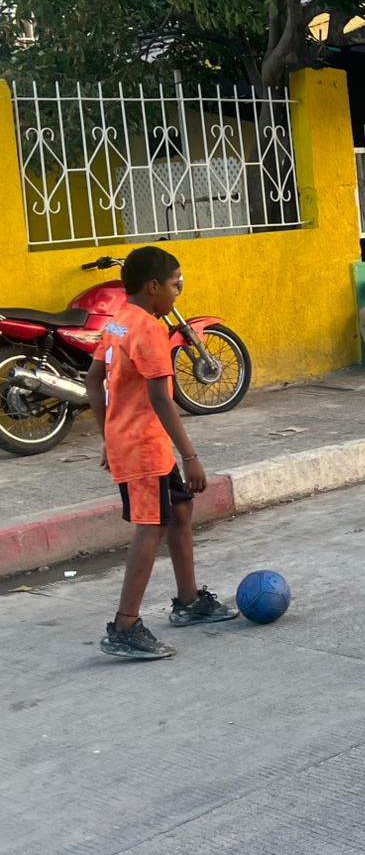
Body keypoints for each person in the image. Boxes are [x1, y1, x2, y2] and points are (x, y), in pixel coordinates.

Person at [85, 246, 237, 660]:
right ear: (154, 287)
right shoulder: (149, 329)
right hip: (145, 448)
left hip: (133, 441)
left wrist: (107, 434)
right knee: (150, 526)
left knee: (181, 509)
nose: (177, 293)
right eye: (175, 284)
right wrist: (191, 456)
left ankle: (189, 601)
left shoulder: (117, 322)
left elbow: (93, 381)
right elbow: (161, 397)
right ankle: (125, 625)